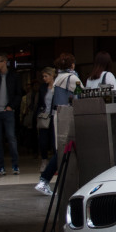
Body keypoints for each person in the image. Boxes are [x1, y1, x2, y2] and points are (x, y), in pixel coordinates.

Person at [36, 54, 81, 195]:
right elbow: (81, 95)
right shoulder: (72, 78)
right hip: (68, 115)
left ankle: (47, 180)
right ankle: (44, 180)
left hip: (58, 115)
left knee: (61, 149)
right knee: (64, 150)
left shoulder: (58, 78)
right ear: (71, 65)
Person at [35, 67, 55, 161]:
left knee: (54, 141)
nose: (44, 78)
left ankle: (55, 162)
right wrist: (37, 115)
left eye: (46, 76)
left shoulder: (57, 87)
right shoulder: (43, 88)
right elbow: (39, 103)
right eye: (43, 76)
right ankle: (44, 160)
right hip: (44, 116)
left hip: (54, 116)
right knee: (43, 141)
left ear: (52, 76)